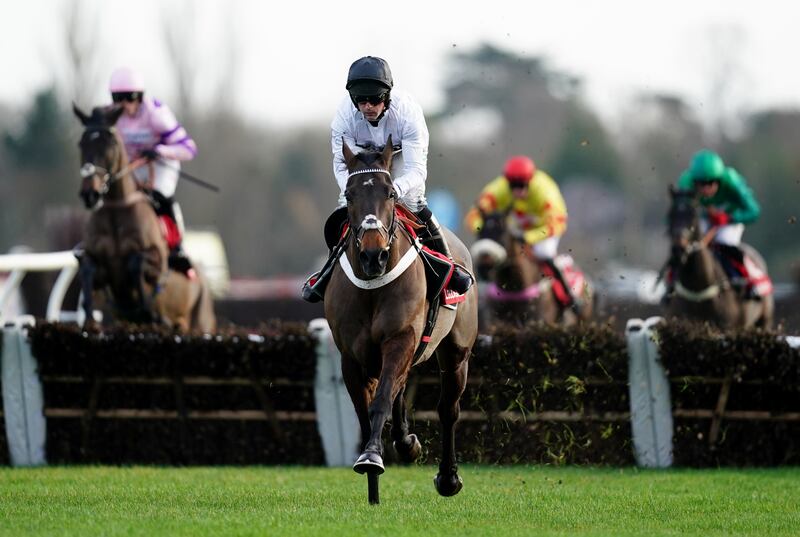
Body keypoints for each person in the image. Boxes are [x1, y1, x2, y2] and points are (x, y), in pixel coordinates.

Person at [301, 56, 473, 302]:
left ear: (387, 95)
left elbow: (416, 171)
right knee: (345, 206)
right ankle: (328, 270)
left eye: (374, 99)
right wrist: (352, 191)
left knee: (414, 202)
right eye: (361, 100)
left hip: (400, 159)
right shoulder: (343, 117)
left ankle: (448, 266)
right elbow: (340, 164)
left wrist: (392, 190)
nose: (368, 106)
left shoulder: (408, 113)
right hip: (362, 164)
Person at [108, 66, 198, 276]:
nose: (122, 104)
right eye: (117, 98)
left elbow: (189, 148)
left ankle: (177, 248)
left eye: (128, 98)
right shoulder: (111, 115)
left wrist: (159, 150)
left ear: (139, 97)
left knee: (160, 199)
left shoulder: (156, 114)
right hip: (130, 167)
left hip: (159, 167)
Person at [464, 155, 581, 312]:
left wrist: (529, 237)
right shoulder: (499, 188)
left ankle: (568, 298)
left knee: (544, 253)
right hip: (515, 230)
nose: (518, 191)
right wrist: (483, 229)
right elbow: (474, 215)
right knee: (491, 252)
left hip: (543, 231)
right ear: (507, 182)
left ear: (530, 181)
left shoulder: (545, 192)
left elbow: (557, 224)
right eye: (513, 186)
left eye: (522, 185)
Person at [668, 148, 761, 297]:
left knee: (724, 242)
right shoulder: (686, 182)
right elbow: (679, 212)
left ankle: (749, 282)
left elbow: (754, 211)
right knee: (685, 247)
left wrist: (729, 218)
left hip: (730, 220)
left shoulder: (731, 180)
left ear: (719, 179)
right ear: (694, 182)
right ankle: (670, 283)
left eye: (710, 183)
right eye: (701, 184)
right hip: (704, 220)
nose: (705, 189)